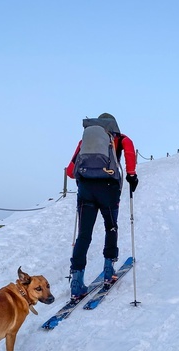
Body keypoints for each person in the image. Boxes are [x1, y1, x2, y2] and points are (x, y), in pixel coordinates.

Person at [65, 113, 139, 300]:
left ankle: (77, 281)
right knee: (111, 227)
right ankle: (108, 270)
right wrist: (131, 175)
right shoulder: (121, 139)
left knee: (84, 234)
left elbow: (70, 172)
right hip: (109, 189)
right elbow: (130, 155)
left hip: (86, 190)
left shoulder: (85, 141)